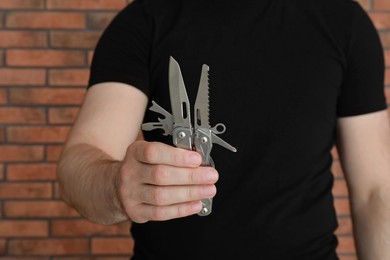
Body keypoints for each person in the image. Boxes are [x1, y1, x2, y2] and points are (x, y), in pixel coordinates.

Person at [57, 0, 390, 259]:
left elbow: (376, 192)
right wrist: (117, 187)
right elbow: (79, 163)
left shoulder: (344, 23)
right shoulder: (144, 21)